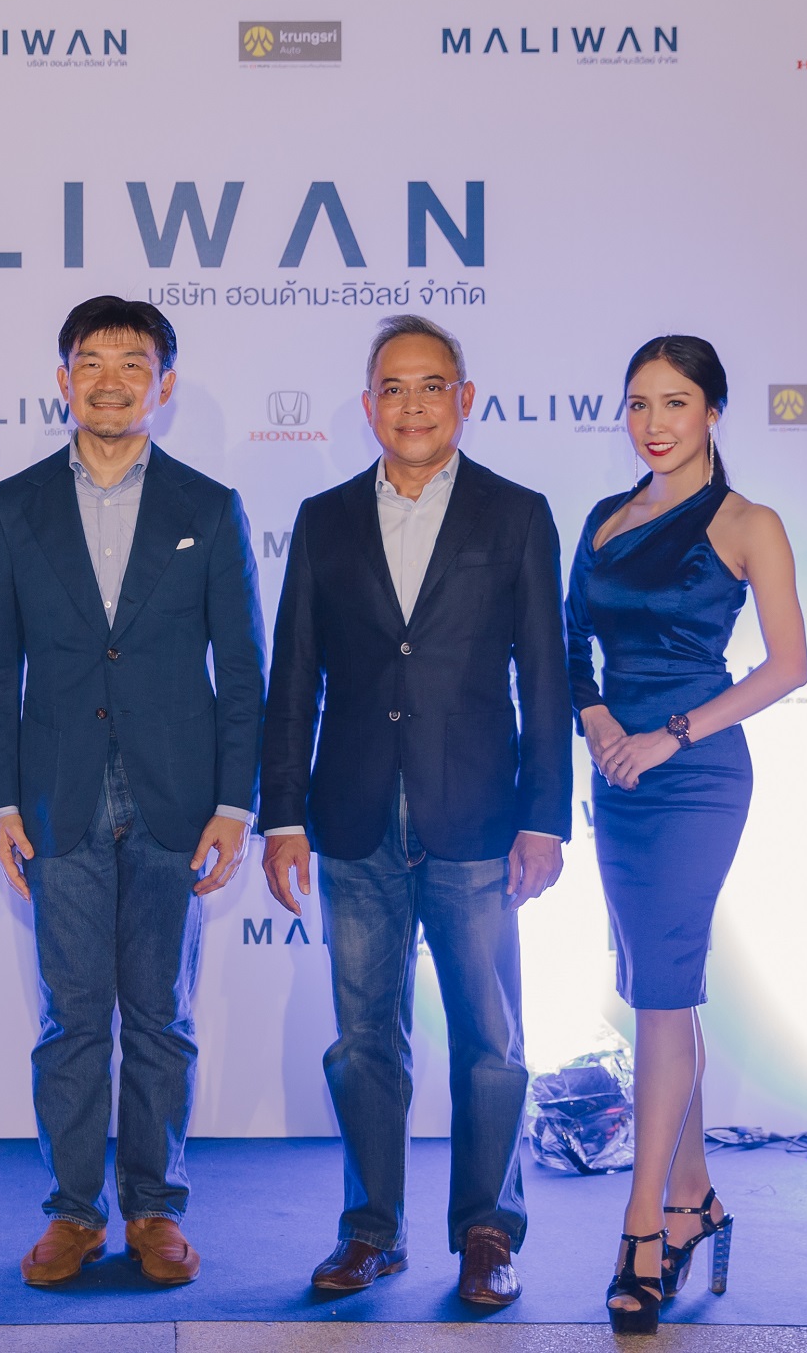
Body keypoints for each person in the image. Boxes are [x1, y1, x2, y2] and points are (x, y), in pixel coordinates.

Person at [260, 313, 569, 1311]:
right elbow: (293, 676)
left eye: (432, 385)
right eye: (393, 388)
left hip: (477, 819)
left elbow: (547, 678)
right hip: (351, 818)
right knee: (363, 1042)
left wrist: (545, 818)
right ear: (368, 406)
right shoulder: (323, 519)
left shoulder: (516, 516)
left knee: (489, 1039)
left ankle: (488, 1230)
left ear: (464, 399)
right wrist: (282, 814)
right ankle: (371, 1231)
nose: (413, 405)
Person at [0, 296, 266, 1289]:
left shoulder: (208, 507)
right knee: (71, 1019)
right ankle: (72, 1212)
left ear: (163, 385)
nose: (109, 381)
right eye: (90, 363)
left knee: (161, 1015)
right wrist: (1, 803)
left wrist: (235, 804)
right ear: (63, 380)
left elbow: (243, 669)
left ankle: (154, 1207)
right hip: (56, 800)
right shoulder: (12, 507)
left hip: (178, 800)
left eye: (132, 363)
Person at [565, 335, 806, 1333]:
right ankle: (694, 1195)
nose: (653, 423)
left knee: (662, 994)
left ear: (713, 412)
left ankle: (641, 1231)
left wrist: (670, 735)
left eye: (674, 402)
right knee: (656, 993)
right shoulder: (604, 518)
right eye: (637, 403)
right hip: (618, 773)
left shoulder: (748, 523)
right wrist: (599, 723)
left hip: (697, 773)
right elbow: (570, 642)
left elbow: (787, 666)